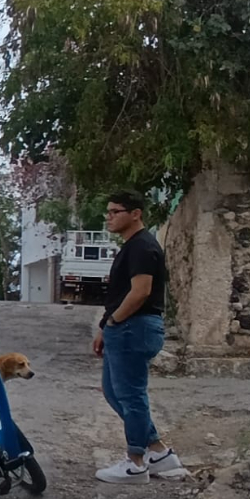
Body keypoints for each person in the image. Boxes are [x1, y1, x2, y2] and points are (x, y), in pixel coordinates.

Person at [93, 191, 181, 483]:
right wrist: (107, 326)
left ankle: (136, 462)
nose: (109, 217)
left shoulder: (142, 247)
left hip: (134, 328)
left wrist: (115, 321)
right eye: (108, 212)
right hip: (125, 328)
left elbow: (140, 291)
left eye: (115, 211)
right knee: (114, 391)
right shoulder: (132, 246)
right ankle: (158, 451)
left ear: (136, 214)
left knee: (131, 396)